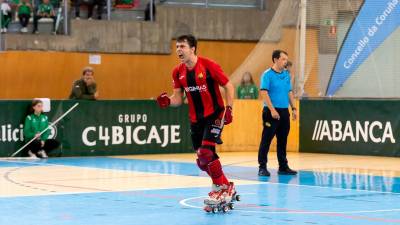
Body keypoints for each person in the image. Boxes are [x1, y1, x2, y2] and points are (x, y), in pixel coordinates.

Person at [156, 34, 236, 206]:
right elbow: (178, 99)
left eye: (182, 46)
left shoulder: (208, 65)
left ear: (192, 49)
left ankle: (219, 189)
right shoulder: (177, 72)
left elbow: (228, 85)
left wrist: (229, 108)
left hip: (214, 114)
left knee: (206, 153)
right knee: (201, 162)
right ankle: (227, 186)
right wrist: (168, 101)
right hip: (196, 119)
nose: (178, 50)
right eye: (177, 47)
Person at [258, 49, 297, 176]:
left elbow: (289, 92)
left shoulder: (286, 74)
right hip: (271, 112)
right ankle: (262, 167)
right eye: (283, 59)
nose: (286, 62)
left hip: (284, 111)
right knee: (266, 139)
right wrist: (272, 110)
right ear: (275, 60)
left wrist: (294, 108)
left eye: (286, 59)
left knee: (282, 140)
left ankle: (283, 166)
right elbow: (264, 92)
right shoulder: (267, 74)